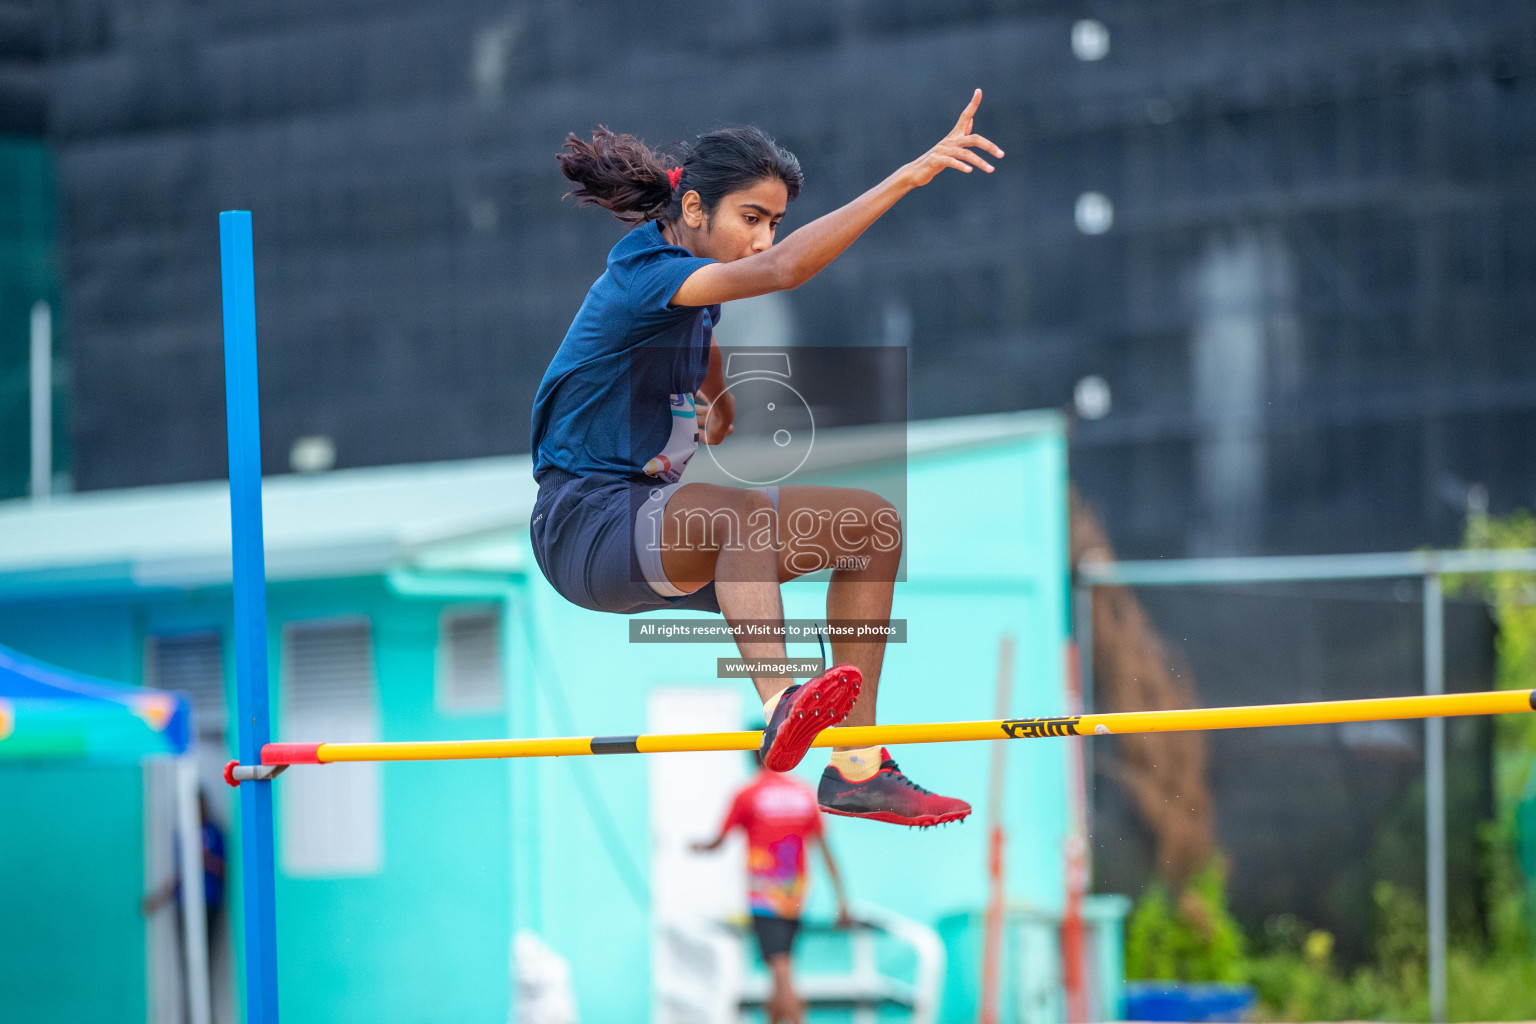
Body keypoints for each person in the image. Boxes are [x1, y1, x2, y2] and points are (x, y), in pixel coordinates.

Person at [531, 90, 1003, 825]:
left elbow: (703, 344)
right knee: (741, 509)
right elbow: (783, 271)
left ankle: (857, 765)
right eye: (751, 219)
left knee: (871, 527)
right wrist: (908, 176)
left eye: (772, 224)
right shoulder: (643, 276)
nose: (761, 240)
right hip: (582, 528)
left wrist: (715, 406)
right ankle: (781, 699)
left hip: (647, 529)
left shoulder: (691, 293)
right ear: (692, 210)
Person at [693, 757, 851, 1024]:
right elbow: (825, 849)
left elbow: (719, 840)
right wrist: (841, 899)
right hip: (796, 894)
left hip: (764, 894)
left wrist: (697, 847)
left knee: (782, 973)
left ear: (754, 757)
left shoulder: (749, 794)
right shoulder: (802, 792)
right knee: (779, 969)